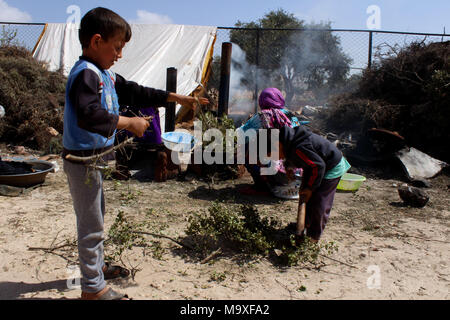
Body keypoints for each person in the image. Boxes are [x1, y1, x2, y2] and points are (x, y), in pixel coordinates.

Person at [62, 7, 208, 300]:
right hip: (83, 160)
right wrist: (130, 123)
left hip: (95, 158)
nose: (119, 55)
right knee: (91, 224)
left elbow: (134, 90)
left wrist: (173, 97)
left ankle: (96, 268)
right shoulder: (85, 75)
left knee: (97, 216)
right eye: (116, 48)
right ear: (96, 41)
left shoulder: (104, 73)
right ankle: (92, 289)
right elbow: (88, 115)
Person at [271, 125, 351, 242]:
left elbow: (318, 165)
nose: (275, 158)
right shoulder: (288, 143)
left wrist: (310, 188)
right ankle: (305, 224)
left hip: (331, 167)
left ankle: (313, 236)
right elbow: (293, 157)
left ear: (278, 145)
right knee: (306, 196)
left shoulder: (299, 147)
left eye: (273, 154)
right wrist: (289, 166)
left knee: (319, 201)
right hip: (315, 167)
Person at [238, 88, 302, 196]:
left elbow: (242, 134)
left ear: (261, 101)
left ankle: (261, 187)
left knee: (246, 147)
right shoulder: (292, 116)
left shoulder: (262, 116)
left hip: (276, 172)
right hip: (297, 174)